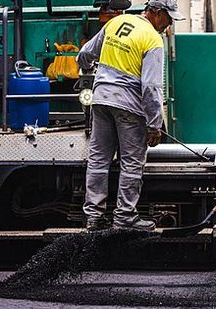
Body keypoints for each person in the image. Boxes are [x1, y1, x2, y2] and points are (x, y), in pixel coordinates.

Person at [77, 0, 185, 231]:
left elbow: (85, 54)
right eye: (168, 19)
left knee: (98, 160)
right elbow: (150, 87)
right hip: (128, 106)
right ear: (156, 13)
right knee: (131, 162)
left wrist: (86, 69)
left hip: (101, 100)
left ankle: (93, 216)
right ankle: (125, 216)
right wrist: (155, 125)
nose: (168, 26)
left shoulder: (117, 22)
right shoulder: (153, 40)